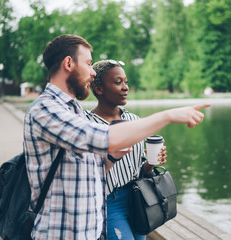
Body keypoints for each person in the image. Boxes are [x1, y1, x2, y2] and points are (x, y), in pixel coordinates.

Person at [23, 34, 210, 240]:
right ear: (69, 63)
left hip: (86, 232)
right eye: (88, 63)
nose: (93, 72)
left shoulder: (72, 109)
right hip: (59, 233)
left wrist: (112, 158)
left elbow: (90, 170)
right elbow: (103, 137)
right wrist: (168, 115)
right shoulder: (45, 109)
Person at [84, 60, 167, 240]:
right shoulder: (86, 124)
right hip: (109, 203)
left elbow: (139, 169)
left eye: (126, 82)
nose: (125, 88)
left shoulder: (134, 120)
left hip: (137, 197)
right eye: (118, 82)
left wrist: (151, 163)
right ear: (98, 89)